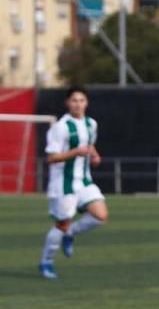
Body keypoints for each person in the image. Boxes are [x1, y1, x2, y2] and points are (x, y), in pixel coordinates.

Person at [39, 87, 108, 280]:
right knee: (61, 223)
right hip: (64, 183)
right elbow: (51, 158)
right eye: (74, 100)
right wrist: (75, 153)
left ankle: (70, 233)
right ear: (67, 103)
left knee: (101, 216)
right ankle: (46, 262)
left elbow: (90, 145)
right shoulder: (60, 127)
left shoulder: (91, 124)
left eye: (81, 100)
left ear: (86, 103)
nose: (78, 104)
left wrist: (95, 155)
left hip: (84, 180)